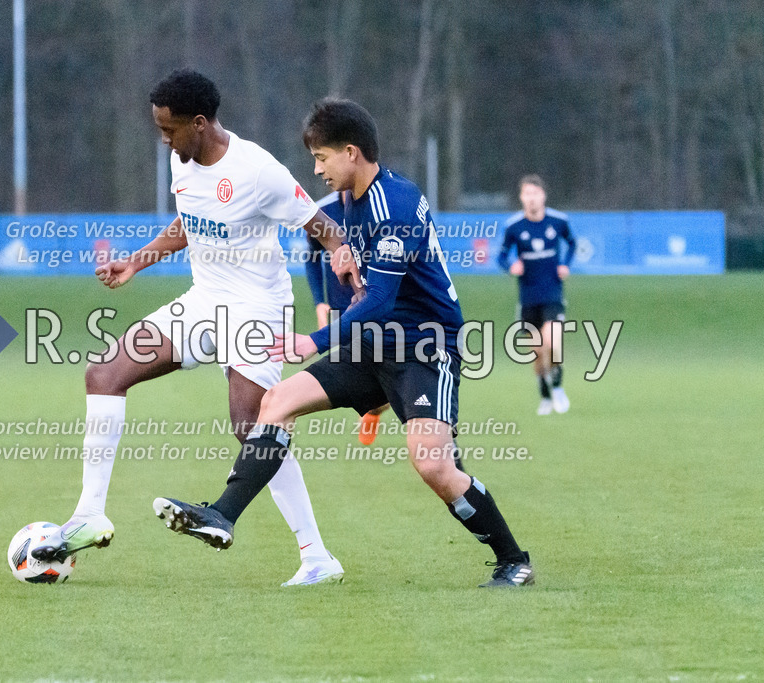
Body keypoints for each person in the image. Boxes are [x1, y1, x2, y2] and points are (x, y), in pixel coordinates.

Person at [153, 98, 534, 588]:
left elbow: (378, 300)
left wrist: (311, 340)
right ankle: (223, 515)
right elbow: (343, 277)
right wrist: (341, 272)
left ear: (351, 152)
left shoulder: (393, 206)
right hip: (369, 346)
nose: (316, 169)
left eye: (322, 158)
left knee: (435, 466)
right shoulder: (347, 204)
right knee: (276, 402)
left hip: (422, 348)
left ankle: (513, 559)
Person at [32, 70, 359, 587]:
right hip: (203, 301)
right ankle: (88, 513)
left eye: (170, 129)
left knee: (253, 428)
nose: (164, 138)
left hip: (256, 308)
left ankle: (316, 555)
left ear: (200, 124)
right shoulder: (180, 158)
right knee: (104, 374)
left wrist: (343, 256)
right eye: (160, 128)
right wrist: (136, 263)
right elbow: (189, 224)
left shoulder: (258, 172)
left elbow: (319, 225)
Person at [307, 191, 388, 446]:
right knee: (354, 376)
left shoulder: (381, 209)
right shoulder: (322, 211)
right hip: (341, 309)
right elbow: (312, 257)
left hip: (377, 307)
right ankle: (371, 408)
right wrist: (320, 301)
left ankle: (374, 410)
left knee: (388, 378)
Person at [497, 175, 576, 415]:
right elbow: (501, 255)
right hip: (528, 298)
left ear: (543, 195)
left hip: (552, 293)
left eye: (535, 193)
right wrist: (510, 266)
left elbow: (572, 243)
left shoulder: (559, 221)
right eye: (526, 194)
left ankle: (558, 386)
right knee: (538, 352)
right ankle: (544, 392)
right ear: (521, 198)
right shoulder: (514, 226)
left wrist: (565, 264)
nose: (531, 198)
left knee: (553, 343)